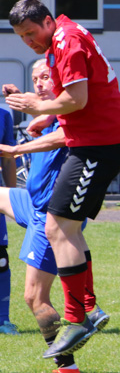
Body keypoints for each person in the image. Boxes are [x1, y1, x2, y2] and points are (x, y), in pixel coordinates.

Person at [4, 0, 120, 360]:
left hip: (97, 146)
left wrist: (38, 107)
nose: (29, 41)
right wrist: (46, 115)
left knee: (59, 229)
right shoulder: (59, 44)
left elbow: (76, 99)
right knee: (62, 229)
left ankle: (79, 318)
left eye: (31, 33)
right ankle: (85, 313)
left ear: (47, 21)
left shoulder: (67, 40)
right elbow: (73, 101)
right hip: (92, 143)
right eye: (21, 37)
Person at [0, 60, 109, 373]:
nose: (39, 83)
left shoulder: (72, 110)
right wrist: (20, 96)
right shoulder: (50, 111)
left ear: (63, 79)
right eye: (35, 78)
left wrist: (15, 150)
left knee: (34, 297)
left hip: (51, 216)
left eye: (46, 76)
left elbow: (64, 132)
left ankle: (66, 366)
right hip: (32, 202)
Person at [0, 104, 18, 336]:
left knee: (0, 260)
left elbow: (8, 160)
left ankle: (3, 320)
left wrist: (13, 198)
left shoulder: (4, 116)